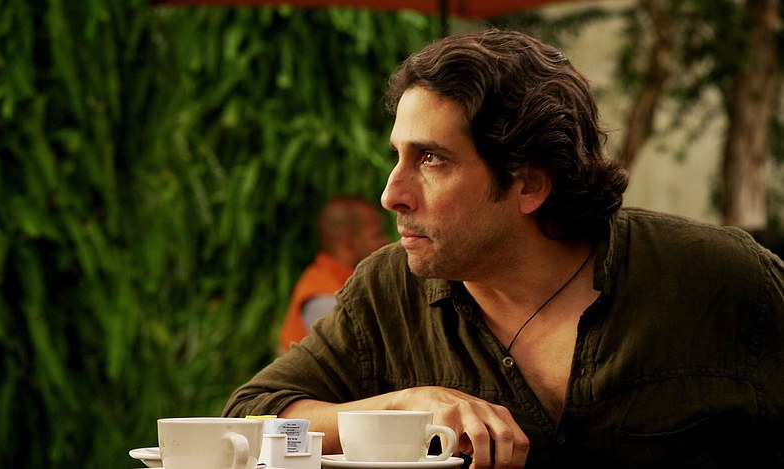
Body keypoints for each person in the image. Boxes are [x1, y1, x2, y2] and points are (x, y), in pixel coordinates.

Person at [224, 29, 784, 468]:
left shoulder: (723, 279)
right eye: (397, 156)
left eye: (430, 159)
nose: (391, 194)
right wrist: (401, 407)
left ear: (529, 185)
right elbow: (251, 421)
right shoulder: (386, 291)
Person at [279, 195, 389, 352]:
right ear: (350, 243)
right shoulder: (322, 299)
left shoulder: (349, 281)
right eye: (377, 235)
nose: (386, 242)